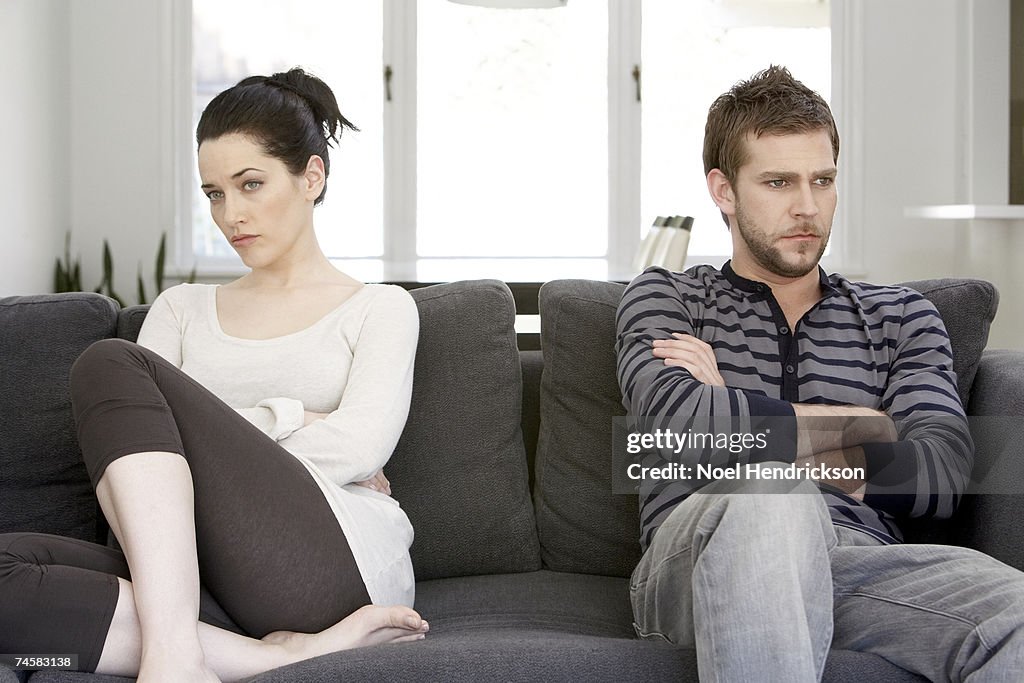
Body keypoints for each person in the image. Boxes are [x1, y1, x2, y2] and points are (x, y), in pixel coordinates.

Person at [0, 68, 428, 682]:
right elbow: (122, 462)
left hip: (325, 565)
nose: (232, 214)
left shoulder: (381, 308)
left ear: (312, 175)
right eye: (215, 193)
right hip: (190, 572)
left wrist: (187, 460)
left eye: (251, 184)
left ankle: (173, 658)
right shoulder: (180, 309)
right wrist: (295, 416)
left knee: (108, 364)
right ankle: (262, 654)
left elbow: (359, 446)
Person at [616, 65, 1024, 682]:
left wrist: (729, 407)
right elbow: (669, 436)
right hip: (699, 556)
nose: (807, 207)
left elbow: (941, 473)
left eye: (822, 181)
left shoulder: (901, 316)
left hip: (860, 562)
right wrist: (868, 426)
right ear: (723, 191)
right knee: (773, 497)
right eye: (778, 182)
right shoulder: (668, 298)